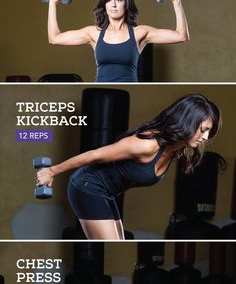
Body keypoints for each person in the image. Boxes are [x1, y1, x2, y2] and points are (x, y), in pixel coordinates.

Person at [36, 93, 222, 240]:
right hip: (87, 187)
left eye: (208, 132)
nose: (205, 138)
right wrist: (51, 171)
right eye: (203, 130)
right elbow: (94, 155)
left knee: (118, 241)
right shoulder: (146, 144)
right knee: (109, 246)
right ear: (187, 121)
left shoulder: (176, 148)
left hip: (106, 193)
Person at [46, 0, 190, 84]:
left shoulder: (140, 33)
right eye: (108, 1)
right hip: (101, 90)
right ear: (104, 4)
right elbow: (54, 38)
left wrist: (176, 1)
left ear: (126, 4)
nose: (113, 5)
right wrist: (52, 4)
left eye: (118, 0)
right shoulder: (94, 33)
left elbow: (181, 35)